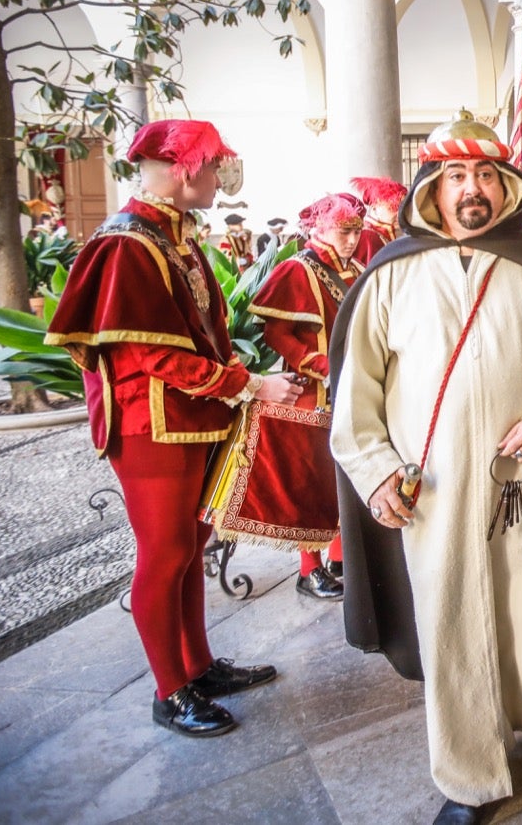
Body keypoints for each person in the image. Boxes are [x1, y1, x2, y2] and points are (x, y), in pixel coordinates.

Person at [328, 113, 522, 823]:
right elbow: (358, 391)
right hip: (433, 490)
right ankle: (469, 779)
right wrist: (376, 470)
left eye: (483, 176)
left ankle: (509, 689)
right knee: (453, 620)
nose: (470, 190)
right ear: (432, 188)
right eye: (454, 177)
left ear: (505, 185)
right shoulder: (393, 273)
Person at [45, 120, 301, 737]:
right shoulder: (127, 244)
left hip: (189, 418)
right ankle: (170, 690)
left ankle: (198, 666)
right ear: (186, 167)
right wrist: (248, 386)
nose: (220, 179)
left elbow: (204, 337)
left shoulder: (170, 237)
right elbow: (150, 356)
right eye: (214, 167)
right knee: (164, 556)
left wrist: (238, 382)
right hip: (149, 424)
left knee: (189, 552)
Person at [246, 193, 368, 602]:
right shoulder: (298, 268)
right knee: (310, 482)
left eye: (355, 231)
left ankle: (338, 559)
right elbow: (275, 331)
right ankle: (308, 569)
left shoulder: (354, 268)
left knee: (344, 476)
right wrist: (317, 362)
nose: (351, 239)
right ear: (318, 228)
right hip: (312, 392)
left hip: (352, 387)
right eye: (343, 231)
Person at [351, 176, 407, 266]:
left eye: (402, 208)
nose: (399, 213)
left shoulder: (382, 234)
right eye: (393, 207)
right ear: (374, 208)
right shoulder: (368, 237)